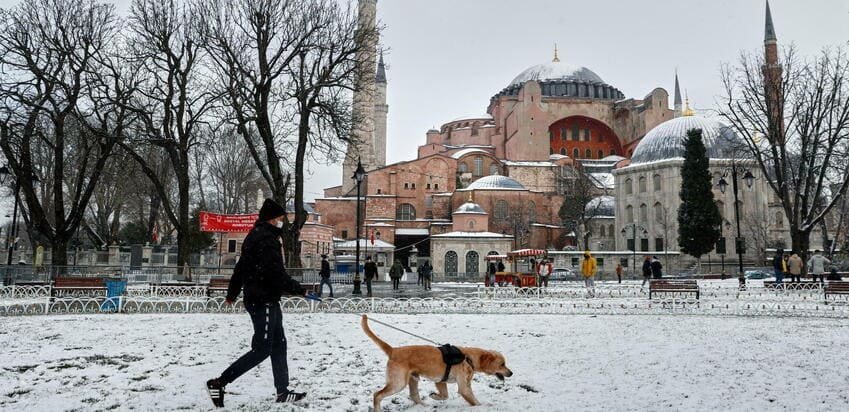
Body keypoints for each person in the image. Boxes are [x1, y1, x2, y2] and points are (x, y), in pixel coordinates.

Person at [206, 198, 307, 407]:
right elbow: (275, 274)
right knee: (262, 349)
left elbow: (241, 268)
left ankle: (282, 391)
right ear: (271, 219)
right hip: (264, 300)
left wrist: (232, 294)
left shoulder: (254, 236)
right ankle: (219, 382)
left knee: (279, 344)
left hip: (264, 298)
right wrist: (301, 290)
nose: (282, 222)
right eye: (280, 218)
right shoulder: (266, 240)